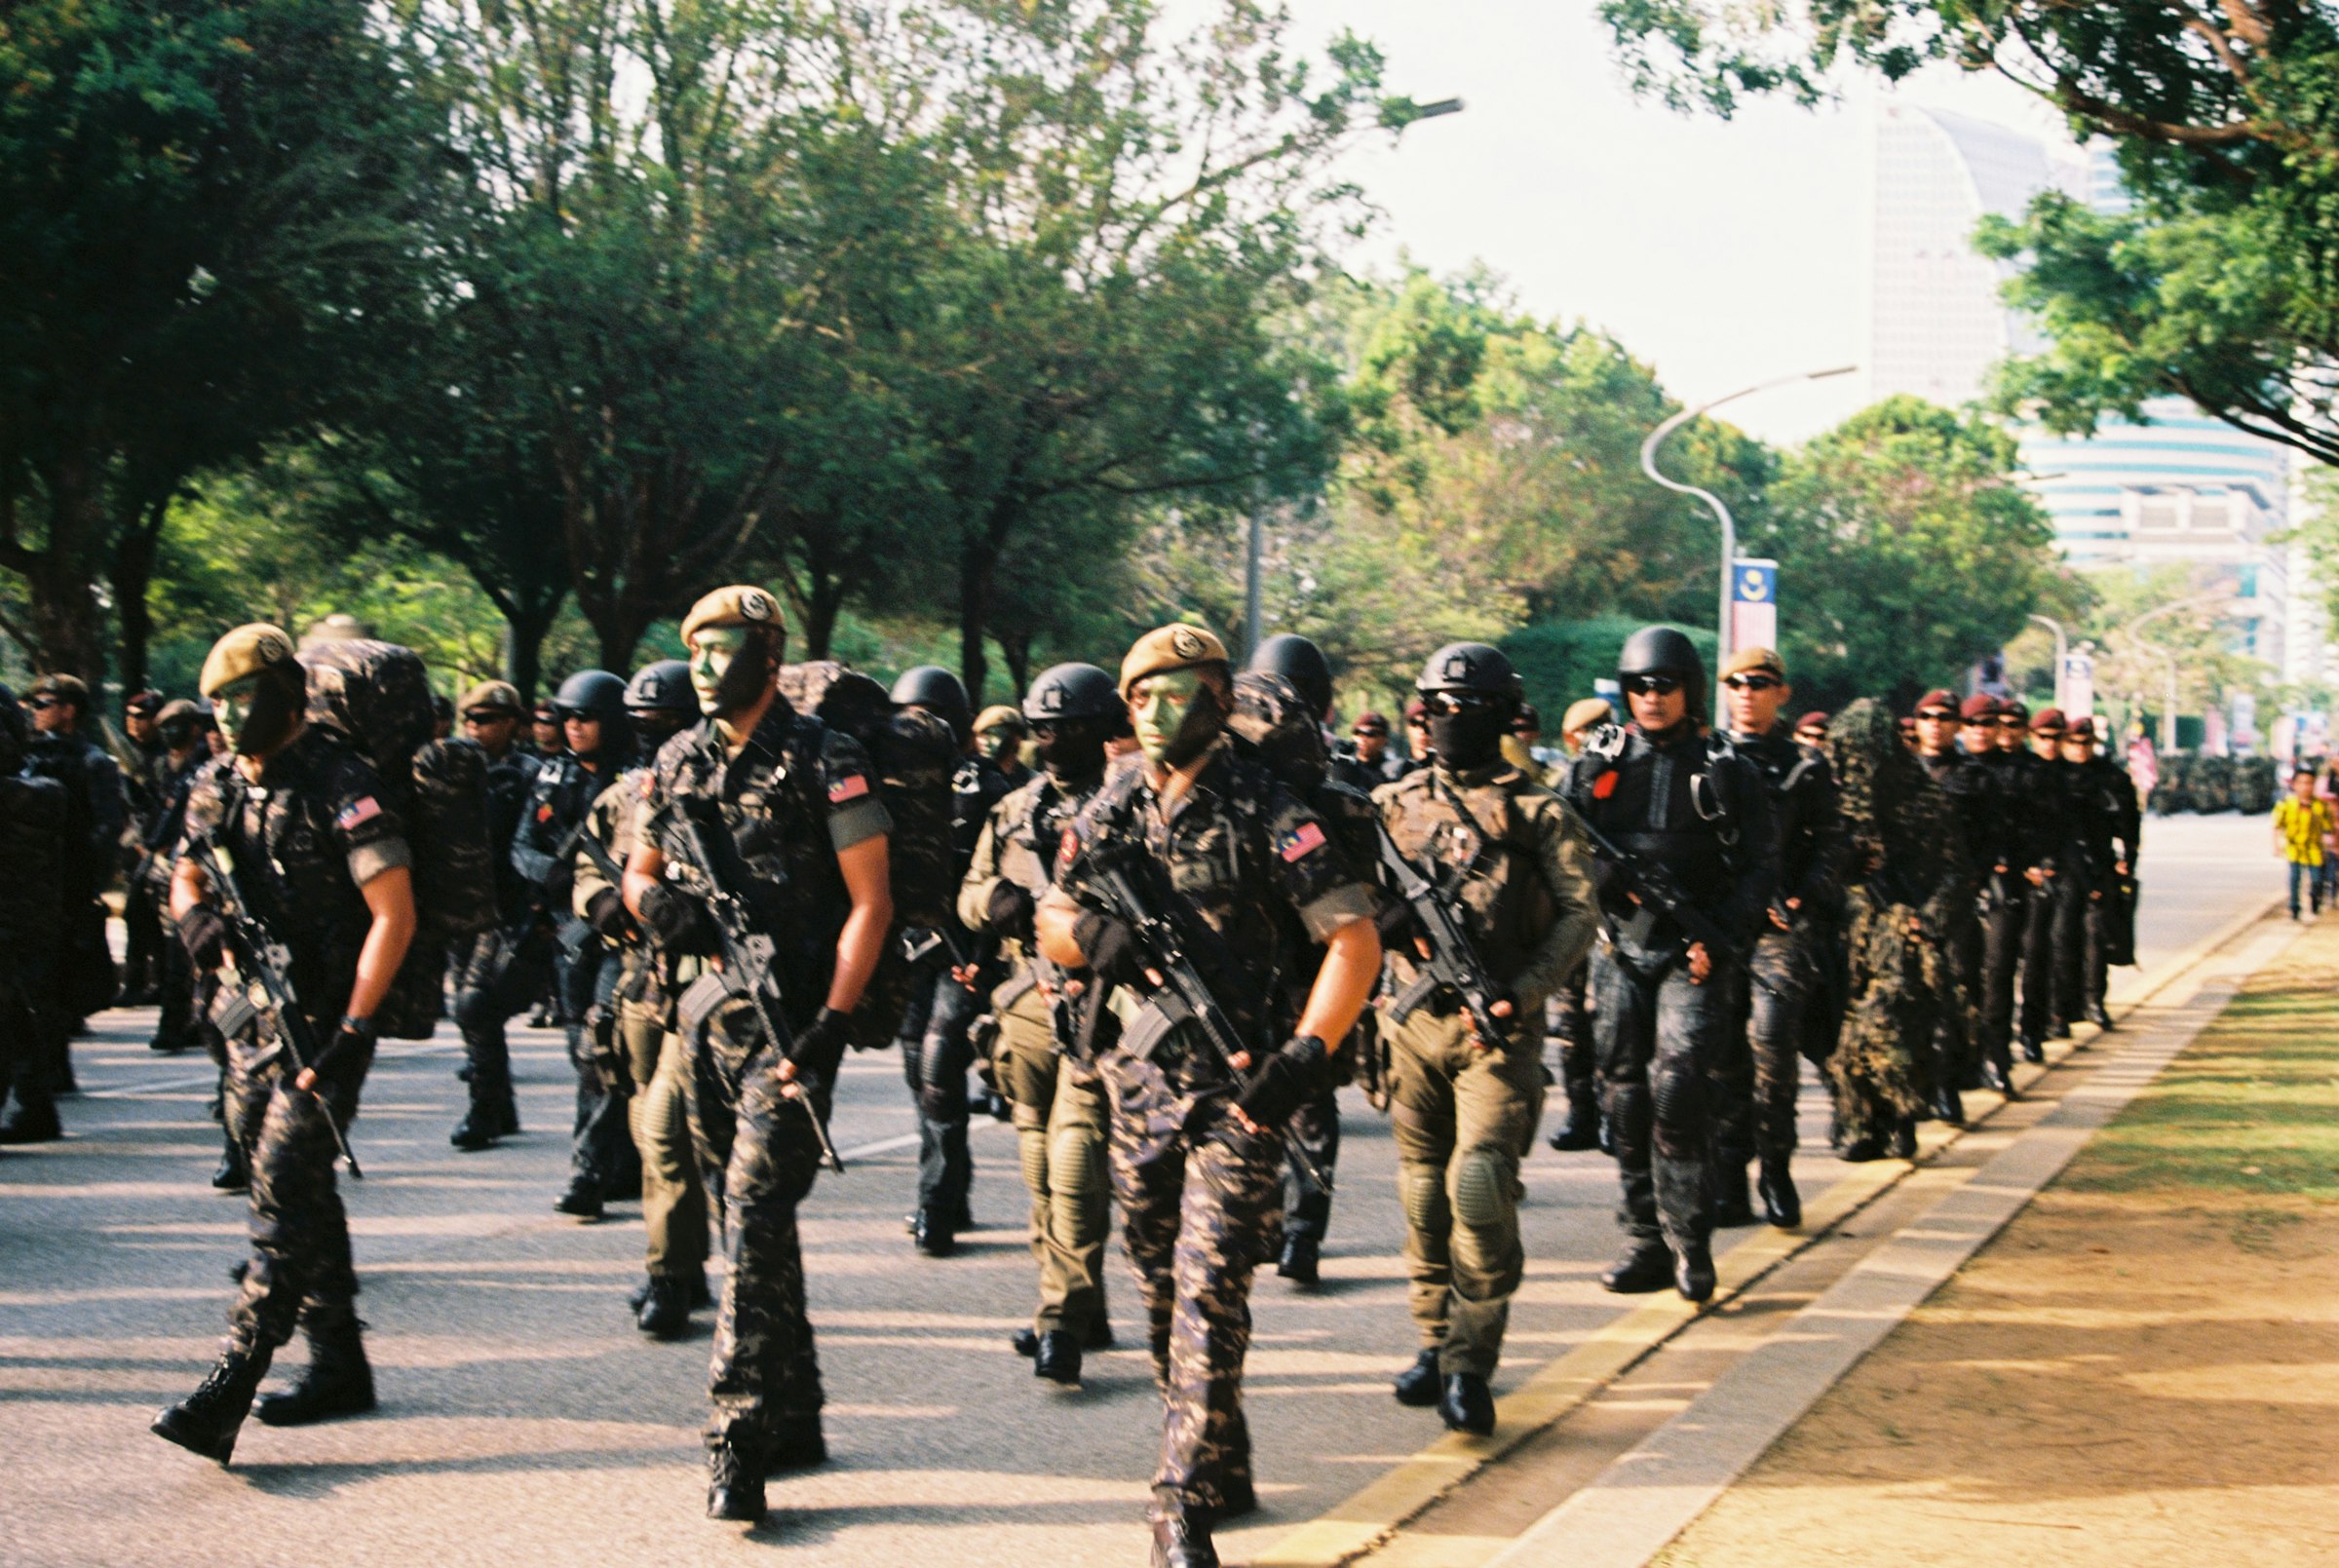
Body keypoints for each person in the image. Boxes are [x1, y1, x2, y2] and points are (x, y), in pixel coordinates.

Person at [1036, 623, 1380, 1568]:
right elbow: (1051, 909)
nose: (1153, 712)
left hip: (1242, 1093)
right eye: (1139, 696)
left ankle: (1177, 1499)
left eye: (1175, 693)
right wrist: (1093, 937)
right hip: (1139, 1081)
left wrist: (1304, 1059)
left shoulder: (1268, 808)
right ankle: (1220, 1453)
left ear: (1220, 700)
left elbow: (1353, 941)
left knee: (1210, 1286)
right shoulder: (1110, 804)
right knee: (1155, 1279)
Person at [625, 585, 893, 1521]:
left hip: (792, 1029)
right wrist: (657, 905)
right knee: (753, 1227)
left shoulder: (828, 757)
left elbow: (870, 902)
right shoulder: (675, 757)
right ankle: (802, 1407)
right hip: (703, 1019)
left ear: (769, 657)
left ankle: (737, 1437)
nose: (703, 663)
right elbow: (639, 869)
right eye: (693, 645)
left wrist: (833, 1022)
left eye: (723, 646)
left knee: (751, 1209)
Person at [151, 624, 417, 1465]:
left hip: (328, 1021)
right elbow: (185, 866)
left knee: (280, 1186)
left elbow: (393, 913)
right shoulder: (217, 781)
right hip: (250, 1020)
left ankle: (232, 1376)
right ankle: (340, 1363)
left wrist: (354, 1029)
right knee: (301, 1186)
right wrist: (192, 916)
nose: (228, 717)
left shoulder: (342, 780)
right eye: (218, 702)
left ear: (282, 696)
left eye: (242, 699)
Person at [1375, 643, 1596, 1435]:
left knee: (1479, 1187)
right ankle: (1434, 1339)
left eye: (1469, 708)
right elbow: (1347, 898)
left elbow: (1579, 915)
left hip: (1495, 1032)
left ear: (1505, 716)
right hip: (1410, 1022)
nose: (1450, 720)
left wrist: (1525, 992)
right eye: (1438, 705)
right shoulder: (1389, 802)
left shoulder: (1539, 812)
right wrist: (1382, 921)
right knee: (1423, 1194)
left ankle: (1472, 1360)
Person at [1560, 628, 1774, 1303]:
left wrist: (1725, 935)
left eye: (1664, 685)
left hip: (1694, 953)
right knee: (1624, 1094)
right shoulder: (1599, 759)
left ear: (1689, 688)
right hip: (1620, 948)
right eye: (1639, 686)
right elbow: (1560, 844)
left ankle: (1691, 1238)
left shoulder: (1725, 766)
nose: (1651, 698)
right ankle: (1644, 1238)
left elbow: (1761, 865)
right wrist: (1601, 884)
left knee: (1680, 1087)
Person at [958, 662, 1123, 1384]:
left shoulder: (1130, 802)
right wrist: (988, 902)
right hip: (1024, 997)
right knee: (1037, 1161)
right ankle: (1072, 1299)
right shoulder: (1014, 809)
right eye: (1044, 727)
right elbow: (966, 891)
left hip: (1102, 1001)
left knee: (1077, 1156)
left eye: (1071, 727)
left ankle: (1061, 1315)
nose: (1054, 740)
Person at [576, 659, 709, 1338]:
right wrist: (599, 898)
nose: (652, 739)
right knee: (644, 1121)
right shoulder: (625, 795)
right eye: (642, 726)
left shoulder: (715, 788)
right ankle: (683, 1258)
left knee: (668, 1129)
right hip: (637, 980)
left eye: (667, 724)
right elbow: (587, 858)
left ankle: (668, 1273)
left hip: (702, 981)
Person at [889, 664, 1013, 1257]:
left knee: (940, 1069)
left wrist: (986, 958)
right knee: (919, 1071)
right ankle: (950, 1182)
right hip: (912, 947)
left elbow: (1006, 879)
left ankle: (934, 1202)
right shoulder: (884, 781)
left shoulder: (987, 788)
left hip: (966, 950)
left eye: (927, 719)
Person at [1714, 648, 1836, 1229]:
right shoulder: (1706, 755)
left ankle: (1776, 1169)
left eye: (1759, 683)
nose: (1746, 692)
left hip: (1777, 927)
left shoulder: (1804, 766)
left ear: (1781, 693)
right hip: (1716, 925)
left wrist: (1801, 897)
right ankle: (1729, 1177)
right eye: (1736, 683)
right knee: (1719, 1056)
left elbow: (1831, 843)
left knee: (1773, 1045)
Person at [515, 669, 637, 1218]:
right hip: (569, 933)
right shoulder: (551, 777)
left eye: (583, 717)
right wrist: (554, 876)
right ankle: (622, 1163)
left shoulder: (638, 780)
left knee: (601, 1051)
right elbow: (520, 846)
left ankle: (587, 1173)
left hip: (620, 933)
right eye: (566, 717)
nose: (572, 726)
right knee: (581, 1052)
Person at [1821, 701, 1965, 1163]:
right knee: (1836, 1035)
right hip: (1839, 932)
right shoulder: (1823, 794)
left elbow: (1955, 870)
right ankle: (1858, 1122)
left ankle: (1900, 1116)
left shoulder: (1921, 797)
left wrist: (1927, 920)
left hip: (1898, 932)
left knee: (1889, 1026)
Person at [446, 680, 542, 1150]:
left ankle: (485, 1108)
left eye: (485, 720)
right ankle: (499, 1104)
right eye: (470, 720)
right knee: (469, 1009)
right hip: (465, 906)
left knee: (476, 1003)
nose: (474, 728)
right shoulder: (458, 770)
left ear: (510, 723)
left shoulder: (530, 774)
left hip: (510, 907)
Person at [21, 673, 126, 1097]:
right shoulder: (26, 757)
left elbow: (107, 828)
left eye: (44, 702)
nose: (35, 710)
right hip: (32, 884)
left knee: (57, 984)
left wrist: (79, 879)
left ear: (69, 709)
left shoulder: (93, 762)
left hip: (68, 889)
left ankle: (51, 1073)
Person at [1909, 688, 1985, 1124]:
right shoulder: (1899, 776)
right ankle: (1913, 1091)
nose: (1935, 724)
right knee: (1908, 997)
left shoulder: (1973, 778)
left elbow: (1991, 836)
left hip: (1954, 898)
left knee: (1953, 992)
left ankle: (1947, 1085)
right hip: (1907, 898)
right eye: (1927, 716)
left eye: (1944, 717)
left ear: (1957, 725)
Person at [1546, 695, 1618, 1154]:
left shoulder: (1623, 778)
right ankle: (1582, 1115)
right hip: (1572, 917)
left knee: (1611, 1023)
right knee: (1572, 1022)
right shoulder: (1564, 783)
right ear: (1572, 739)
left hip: (1612, 919)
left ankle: (1612, 1116)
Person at [0, 690, 67, 1161]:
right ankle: (36, 1102)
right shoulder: (42, 793)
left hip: (20, 913)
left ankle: (35, 1102)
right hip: (34, 914)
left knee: (16, 1014)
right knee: (21, 1014)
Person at [1958, 695, 2024, 1094]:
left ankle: (1997, 1058)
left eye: (1988, 724)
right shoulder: (1949, 772)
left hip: (1999, 883)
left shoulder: (2013, 773)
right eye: (1974, 724)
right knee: (1959, 979)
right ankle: (1963, 1063)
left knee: (1998, 973)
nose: (1981, 731)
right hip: (1954, 888)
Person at [2059, 720, 2142, 1024]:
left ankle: (2094, 1000)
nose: (2079, 749)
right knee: (2064, 936)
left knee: (2097, 934)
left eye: (2085, 742)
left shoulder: (2110, 778)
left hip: (2100, 864)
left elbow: (2129, 822)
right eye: (2073, 742)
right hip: (2064, 867)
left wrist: (2127, 860)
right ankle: (2065, 1005)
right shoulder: (2053, 775)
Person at [2015, 708, 2077, 1058]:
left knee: (2043, 951)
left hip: (2051, 871)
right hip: (2013, 873)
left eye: (2057, 737)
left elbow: (2066, 828)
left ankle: (2034, 1027)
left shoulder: (2062, 776)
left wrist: (2052, 864)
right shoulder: (2022, 772)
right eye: (2044, 737)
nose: (2051, 744)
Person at [116, 690, 171, 1008]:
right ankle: (137, 983)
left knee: (157, 918)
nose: (134, 723)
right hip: (136, 847)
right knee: (136, 915)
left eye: (141, 716)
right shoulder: (128, 757)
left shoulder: (165, 756)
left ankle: (158, 982)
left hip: (159, 849)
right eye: (130, 715)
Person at [2275, 767, 2331, 919]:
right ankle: (2294, 906)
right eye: (2301, 783)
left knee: (2317, 879)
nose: (2305, 787)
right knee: (2295, 878)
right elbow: (2277, 825)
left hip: (2314, 849)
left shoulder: (2320, 805)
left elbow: (2329, 827)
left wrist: (2332, 844)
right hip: (2295, 848)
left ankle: (2315, 899)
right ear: (2294, 785)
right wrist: (2276, 845)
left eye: (2309, 783)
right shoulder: (2287, 804)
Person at [974, 704, 1033, 787]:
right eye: (980, 735)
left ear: (1016, 738)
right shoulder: (974, 778)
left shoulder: (1032, 782)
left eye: (993, 734)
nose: (985, 741)